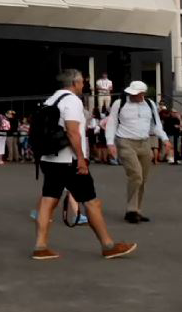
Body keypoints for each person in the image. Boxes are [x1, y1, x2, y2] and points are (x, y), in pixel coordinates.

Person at [31, 70, 135, 261]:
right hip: (68, 160)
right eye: (82, 82)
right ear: (75, 82)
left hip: (49, 159)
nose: (83, 85)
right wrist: (81, 158)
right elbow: (73, 132)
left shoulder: (51, 99)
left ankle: (40, 245)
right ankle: (108, 245)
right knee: (91, 201)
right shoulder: (72, 101)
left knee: (48, 200)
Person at [105, 81, 167, 223]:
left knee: (143, 179)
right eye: (131, 93)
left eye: (136, 94)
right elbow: (112, 122)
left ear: (142, 94)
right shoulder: (119, 103)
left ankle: (136, 210)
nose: (133, 96)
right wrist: (110, 143)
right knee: (136, 175)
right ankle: (131, 210)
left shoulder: (150, 105)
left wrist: (165, 139)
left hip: (145, 143)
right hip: (125, 142)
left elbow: (156, 125)